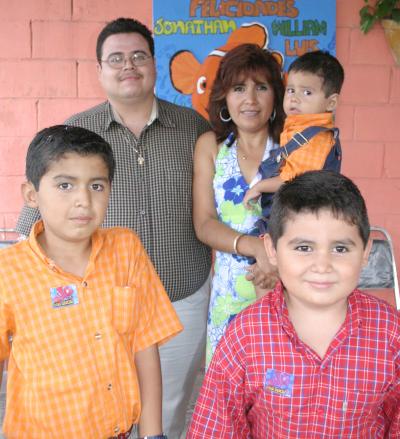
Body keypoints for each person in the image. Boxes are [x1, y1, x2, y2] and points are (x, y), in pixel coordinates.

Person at [14, 18, 212, 438]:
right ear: (100, 69)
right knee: (94, 398)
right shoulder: (77, 129)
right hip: (96, 301)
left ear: (154, 65)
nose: (129, 65)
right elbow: (35, 217)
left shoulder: (193, 128)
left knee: (169, 401)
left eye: (139, 56)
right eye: (116, 58)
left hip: (181, 293)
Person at [0, 125, 182, 438]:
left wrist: (153, 435)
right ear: (31, 194)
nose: (83, 200)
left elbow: (145, 347)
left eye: (96, 186)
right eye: (65, 185)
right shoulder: (8, 271)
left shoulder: (126, 249)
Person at [188, 170, 400, 438]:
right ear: (272, 251)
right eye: (303, 248)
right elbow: (216, 428)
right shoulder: (246, 336)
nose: (322, 265)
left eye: (340, 249)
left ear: (366, 252)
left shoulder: (391, 334)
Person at [192, 43, 285, 366]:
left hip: (284, 287)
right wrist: (254, 247)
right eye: (239, 88)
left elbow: (311, 218)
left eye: (261, 87)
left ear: (275, 97)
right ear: (225, 98)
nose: (250, 99)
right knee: (229, 399)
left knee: (280, 391)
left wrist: (272, 257)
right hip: (229, 296)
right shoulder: (211, 147)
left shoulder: (292, 147)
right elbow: (204, 223)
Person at [243, 50, 344, 221]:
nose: (294, 98)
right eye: (290, 90)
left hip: (306, 217)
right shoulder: (299, 127)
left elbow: (295, 178)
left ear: (331, 102)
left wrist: (259, 187)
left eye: (307, 93)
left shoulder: (315, 138)